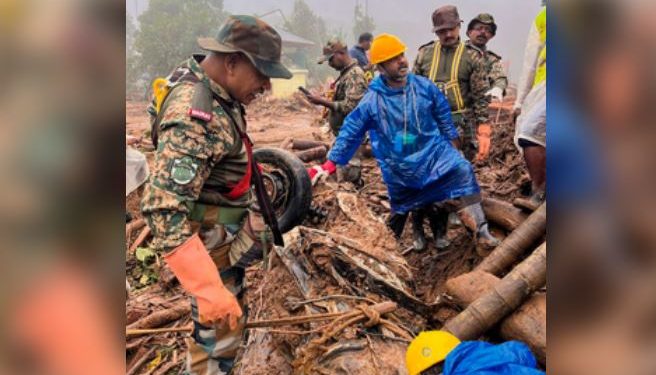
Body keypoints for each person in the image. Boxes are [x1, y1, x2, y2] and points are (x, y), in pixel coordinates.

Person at [140, 15, 292, 375]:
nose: (267, 87)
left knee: (222, 339)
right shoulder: (197, 116)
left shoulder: (214, 88)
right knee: (215, 350)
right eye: (263, 75)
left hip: (220, 242)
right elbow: (163, 209)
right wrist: (207, 288)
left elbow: (213, 159)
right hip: (207, 252)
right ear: (233, 61)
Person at [307, 33, 499, 253]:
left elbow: (443, 116)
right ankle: (393, 242)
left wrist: (453, 145)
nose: (402, 61)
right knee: (410, 195)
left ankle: (481, 231)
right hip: (399, 158)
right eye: (393, 59)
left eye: (401, 55)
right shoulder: (373, 100)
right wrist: (330, 164)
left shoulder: (424, 87)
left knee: (462, 169)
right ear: (380, 67)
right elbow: (351, 130)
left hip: (432, 150)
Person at [411, 5, 493, 250]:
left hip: (461, 126)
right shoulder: (424, 55)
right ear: (436, 32)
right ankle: (418, 229)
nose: (447, 35)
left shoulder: (472, 56)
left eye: (451, 29)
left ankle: (444, 229)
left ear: (459, 26)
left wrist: (483, 128)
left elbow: (480, 97)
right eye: (442, 31)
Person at [303, 38, 368, 184]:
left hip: (352, 136)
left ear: (340, 53)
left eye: (331, 60)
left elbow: (352, 107)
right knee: (337, 172)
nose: (330, 64)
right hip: (343, 135)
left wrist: (322, 101)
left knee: (347, 177)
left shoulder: (355, 74)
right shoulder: (346, 74)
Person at [513, 6, 546, 211]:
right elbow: (530, 63)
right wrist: (520, 101)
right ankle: (540, 190)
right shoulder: (544, 17)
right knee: (530, 134)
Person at [466, 13, 508, 102]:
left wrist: (498, 88)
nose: (483, 32)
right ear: (469, 32)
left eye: (487, 30)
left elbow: (499, 77)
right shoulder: (457, 52)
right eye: (479, 28)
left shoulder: (491, 59)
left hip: (479, 111)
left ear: (491, 36)